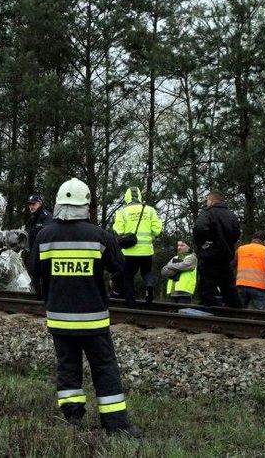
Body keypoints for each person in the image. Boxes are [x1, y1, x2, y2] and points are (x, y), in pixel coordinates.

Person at [30, 177, 141, 438]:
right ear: (87, 205)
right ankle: (116, 426)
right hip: (93, 321)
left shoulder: (45, 236)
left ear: (57, 203)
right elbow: (120, 267)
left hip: (59, 319)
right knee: (104, 368)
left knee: (68, 367)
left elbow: (35, 272)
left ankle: (73, 419)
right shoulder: (99, 236)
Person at [112, 186, 163, 307]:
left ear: (127, 197)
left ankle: (131, 304)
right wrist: (151, 238)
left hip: (129, 252)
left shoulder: (122, 212)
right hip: (147, 250)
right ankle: (149, 287)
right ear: (139, 195)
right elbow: (157, 230)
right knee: (146, 272)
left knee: (128, 277)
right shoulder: (150, 210)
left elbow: (119, 230)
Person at [193, 190, 241, 307]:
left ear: (211, 200)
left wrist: (204, 244)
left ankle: (209, 309)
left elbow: (199, 229)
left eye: (207, 200)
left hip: (210, 255)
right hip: (226, 255)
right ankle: (235, 310)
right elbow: (236, 234)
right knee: (228, 285)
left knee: (207, 285)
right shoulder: (231, 215)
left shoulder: (207, 213)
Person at [234, 232, 265, 310]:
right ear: (264, 241)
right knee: (261, 315)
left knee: (239, 311)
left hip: (241, 285)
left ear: (253, 239)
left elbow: (233, 263)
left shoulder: (240, 249)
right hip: (258, 287)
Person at [25, 193, 53, 298]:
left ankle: (44, 300)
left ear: (40, 203)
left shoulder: (46, 217)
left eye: (34, 204)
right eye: (30, 204)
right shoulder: (33, 218)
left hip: (44, 254)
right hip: (34, 252)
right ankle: (39, 299)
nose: (31, 206)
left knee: (44, 279)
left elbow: (48, 236)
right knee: (35, 278)